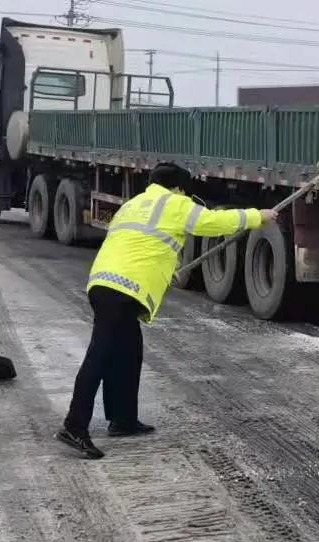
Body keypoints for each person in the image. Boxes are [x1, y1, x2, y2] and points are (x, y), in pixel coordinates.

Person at [57, 162, 277, 459]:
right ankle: (74, 425)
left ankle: (123, 419)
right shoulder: (175, 203)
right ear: (179, 187)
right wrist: (257, 216)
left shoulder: (134, 204)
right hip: (123, 290)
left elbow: (141, 244)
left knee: (128, 351)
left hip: (104, 284)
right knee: (100, 356)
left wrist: (167, 268)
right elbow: (212, 223)